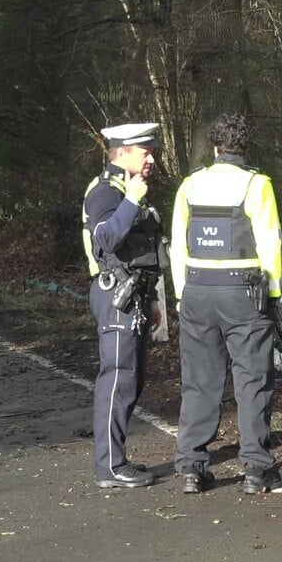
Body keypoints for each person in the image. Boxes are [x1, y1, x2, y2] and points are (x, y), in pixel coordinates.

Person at [170, 112, 282, 495]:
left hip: (197, 290)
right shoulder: (257, 184)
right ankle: (255, 469)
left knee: (200, 380)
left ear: (215, 147)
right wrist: (273, 294)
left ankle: (192, 467)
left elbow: (177, 244)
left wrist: (180, 293)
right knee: (252, 379)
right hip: (244, 293)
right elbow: (270, 242)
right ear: (243, 146)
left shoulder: (190, 185)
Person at [82, 122, 168, 488]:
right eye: (143, 151)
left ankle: (115, 461)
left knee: (130, 380)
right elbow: (107, 238)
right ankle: (110, 467)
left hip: (133, 295)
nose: (151, 158)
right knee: (117, 379)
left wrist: (152, 301)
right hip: (115, 295)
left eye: (151, 151)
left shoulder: (127, 190)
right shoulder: (106, 192)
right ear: (121, 152)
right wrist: (132, 200)